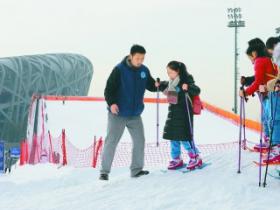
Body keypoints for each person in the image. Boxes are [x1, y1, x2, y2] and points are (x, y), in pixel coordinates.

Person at [99, 44, 159, 181]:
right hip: (118, 113)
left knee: (140, 141)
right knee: (112, 141)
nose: (140, 61)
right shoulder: (119, 70)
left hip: (135, 114)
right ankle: (104, 172)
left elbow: (150, 85)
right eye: (137, 58)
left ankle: (136, 170)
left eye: (142, 58)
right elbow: (109, 89)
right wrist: (112, 103)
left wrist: (159, 85)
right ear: (131, 56)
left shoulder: (144, 70)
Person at [159, 61, 202, 170]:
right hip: (173, 113)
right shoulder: (171, 83)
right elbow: (163, 86)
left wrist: (187, 87)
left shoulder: (186, 79)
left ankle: (195, 156)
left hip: (184, 114)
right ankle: (176, 159)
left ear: (177, 71)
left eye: (171, 72)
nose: (169, 75)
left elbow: (197, 90)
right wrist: (158, 84)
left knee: (185, 137)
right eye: (168, 73)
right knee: (173, 137)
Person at [240, 39, 278, 152]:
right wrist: (247, 81)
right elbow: (261, 78)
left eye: (250, 58)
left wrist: (246, 92)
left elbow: (258, 81)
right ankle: (269, 140)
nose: (251, 61)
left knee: (270, 119)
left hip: (270, 93)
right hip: (269, 92)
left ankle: (273, 143)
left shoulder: (260, 61)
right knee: (267, 118)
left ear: (254, 53)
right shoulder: (267, 59)